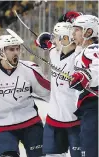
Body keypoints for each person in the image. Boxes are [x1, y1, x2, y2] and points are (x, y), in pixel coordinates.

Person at [35, 11, 81, 157]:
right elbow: (43, 41)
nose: (53, 40)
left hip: (76, 120)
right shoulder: (54, 52)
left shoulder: (81, 57)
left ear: (65, 38)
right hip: (53, 119)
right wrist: (42, 39)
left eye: (56, 37)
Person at [0, 34, 50, 157]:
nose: (16, 53)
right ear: (1, 51)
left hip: (30, 123)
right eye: (11, 49)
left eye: (17, 49)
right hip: (2, 126)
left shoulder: (29, 69)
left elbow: (49, 92)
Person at [69, 14, 99, 157]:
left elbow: (96, 71)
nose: (73, 33)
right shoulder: (83, 51)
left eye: (77, 29)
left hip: (95, 107)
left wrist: (85, 77)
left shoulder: (93, 49)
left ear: (88, 32)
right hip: (89, 108)